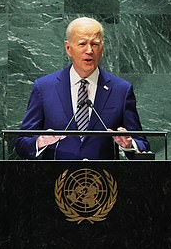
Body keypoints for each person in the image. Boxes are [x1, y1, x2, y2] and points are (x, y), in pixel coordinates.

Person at [15, 17, 150, 160]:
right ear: (68, 48)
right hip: (57, 179)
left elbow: (142, 144)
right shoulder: (44, 88)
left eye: (95, 44)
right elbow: (22, 143)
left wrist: (129, 145)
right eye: (82, 44)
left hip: (103, 180)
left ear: (102, 48)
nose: (89, 50)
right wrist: (41, 141)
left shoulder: (121, 90)